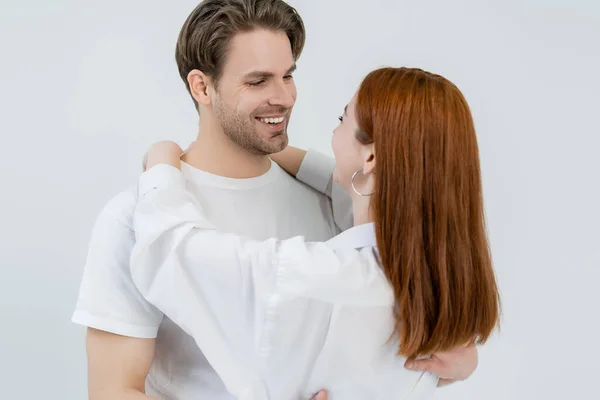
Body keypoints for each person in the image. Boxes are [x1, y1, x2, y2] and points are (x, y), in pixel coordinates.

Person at [71, 0, 479, 398]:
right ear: (202, 86)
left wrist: (461, 357)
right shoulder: (132, 218)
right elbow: (113, 391)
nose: (284, 97)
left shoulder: (338, 207)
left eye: (288, 75)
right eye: (257, 81)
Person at [131, 67, 501, 399]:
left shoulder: (311, 276)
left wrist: (161, 161)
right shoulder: (444, 294)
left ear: (370, 159)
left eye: (342, 118)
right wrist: (256, 144)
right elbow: (344, 185)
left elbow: (169, 249)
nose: (283, 95)